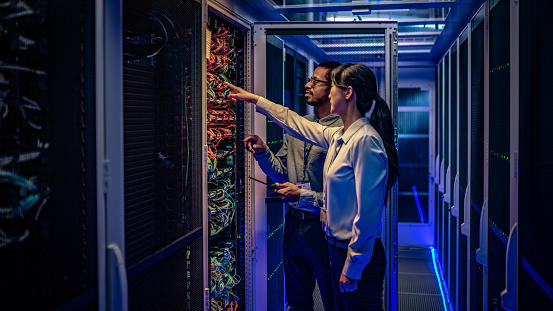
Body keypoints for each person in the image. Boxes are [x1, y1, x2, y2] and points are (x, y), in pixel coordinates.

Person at [227, 63, 399, 311]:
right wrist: (255, 100)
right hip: (337, 248)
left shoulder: (365, 141)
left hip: (354, 255)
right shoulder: (340, 136)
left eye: (333, 88)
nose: (329, 94)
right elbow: (295, 123)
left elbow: (369, 216)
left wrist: (353, 267)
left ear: (348, 92)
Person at [243, 61, 342, 311]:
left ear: (333, 89)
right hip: (294, 224)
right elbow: (281, 173)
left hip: (324, 227)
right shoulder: (298, 128)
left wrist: (303, 195)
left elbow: (345, 199)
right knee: (296, 301)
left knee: (333, 299)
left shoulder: (343, 133)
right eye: (309, 79)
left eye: (315, 81)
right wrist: (263, 152)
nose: (307, 85)